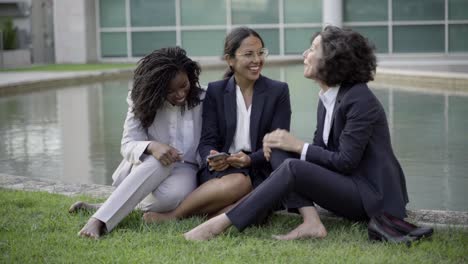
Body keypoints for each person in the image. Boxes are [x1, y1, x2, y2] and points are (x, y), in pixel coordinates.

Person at [184, 26, 409, 241]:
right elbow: (324, 154)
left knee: (291, 162)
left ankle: (219, 224)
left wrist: (299, 147)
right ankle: (311, 222)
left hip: (371, 197)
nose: (305, 53)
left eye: (312, 49)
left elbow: (346, 161)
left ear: (332, 59)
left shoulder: (360, 99)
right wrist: (291, 148)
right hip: (348, 185)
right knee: (279, 150)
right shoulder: (328, 97)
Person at [143, 27, 291, 223]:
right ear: (230, 60)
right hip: (223, 171)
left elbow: (278, 144)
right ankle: (175, 216)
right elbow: (207, 140)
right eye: (249, 54)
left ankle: (187, 217)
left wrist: (249, 161)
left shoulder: (278, 91)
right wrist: (211, 157)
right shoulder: (216, 91)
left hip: (261, 168)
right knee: (239, 183)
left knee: (254, 200)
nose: (257, 60)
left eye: (261, 52)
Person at [69, 47, 204, 239]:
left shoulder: (203, 99)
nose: (180, 94)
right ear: (156, 88)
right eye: (170, 91)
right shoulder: (141, 101)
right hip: (145, 166)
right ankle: (98, 220)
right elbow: (127, 144)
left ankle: (106, 205)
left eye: (184, 85)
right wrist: (152, 146)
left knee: (170, 198)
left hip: (185, 169)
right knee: (159, 162)